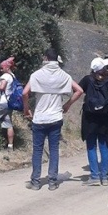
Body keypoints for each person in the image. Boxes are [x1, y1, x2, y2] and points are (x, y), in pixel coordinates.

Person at [22, 48, 83, 191]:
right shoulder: (64, 75)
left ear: (45, 58)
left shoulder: (37, 75)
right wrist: (67, 104)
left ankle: (36, 181)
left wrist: (26, 108)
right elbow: (79, 90)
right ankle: (52, 181)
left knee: (37, 150)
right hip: (56, 118)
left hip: (40, 118)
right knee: (54, 149)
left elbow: (25, 93)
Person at [79, 57, 108, 186]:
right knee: (104, 146)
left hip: (90, 118)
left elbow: (77, 90)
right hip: (104, 118)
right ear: (103, 69)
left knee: (91, 146)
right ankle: (104, 177)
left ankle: (94, 176)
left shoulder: (87, 80)